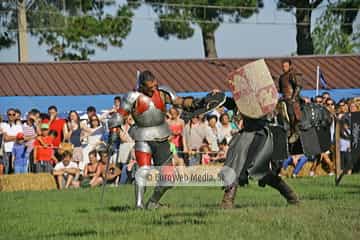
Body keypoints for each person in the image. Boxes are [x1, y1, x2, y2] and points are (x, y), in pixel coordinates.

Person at [116, 70, 224, 209]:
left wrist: (200, 101)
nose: (154, 89)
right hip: (143, 136)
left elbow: (180, 102)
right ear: (142, 86)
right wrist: (114, 129)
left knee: (168, 178)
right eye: (150, 87)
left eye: (155, 85)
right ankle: (139, 205)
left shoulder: (162, 93)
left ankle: (153, 202)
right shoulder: (132, 97)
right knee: (143, 170)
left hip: (162, 137)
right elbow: (118, 116)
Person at [1, 108, 24, 174]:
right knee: (6, 170)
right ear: (7, 115)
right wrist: (16, 137)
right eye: (9, 114)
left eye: (13, 114)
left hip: (16, 151)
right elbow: (5, 138)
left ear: (15, 116)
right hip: (6, 151)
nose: (11, 116)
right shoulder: (3, 125)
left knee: (15, 171)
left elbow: (21, 139)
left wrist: (10, 137)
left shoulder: (19, 126)